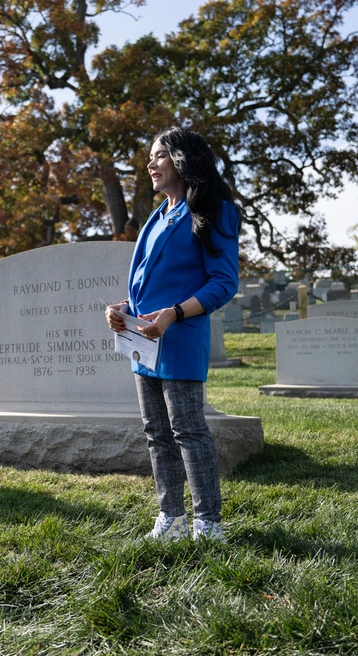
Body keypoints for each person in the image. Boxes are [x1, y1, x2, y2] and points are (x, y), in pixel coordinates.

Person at [105, 126, 240, 542]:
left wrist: (175, 314)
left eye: (159, 155)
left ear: (182, 160)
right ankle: (172, 519)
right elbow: (146, 282)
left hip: (179, 337)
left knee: (188, 430)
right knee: (156, 433)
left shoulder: (216, 209)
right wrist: (124, 308)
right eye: (150, 156)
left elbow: (223, 282)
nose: (150, 164)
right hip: (143, 340)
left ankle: (208, 524)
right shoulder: (157, 215)